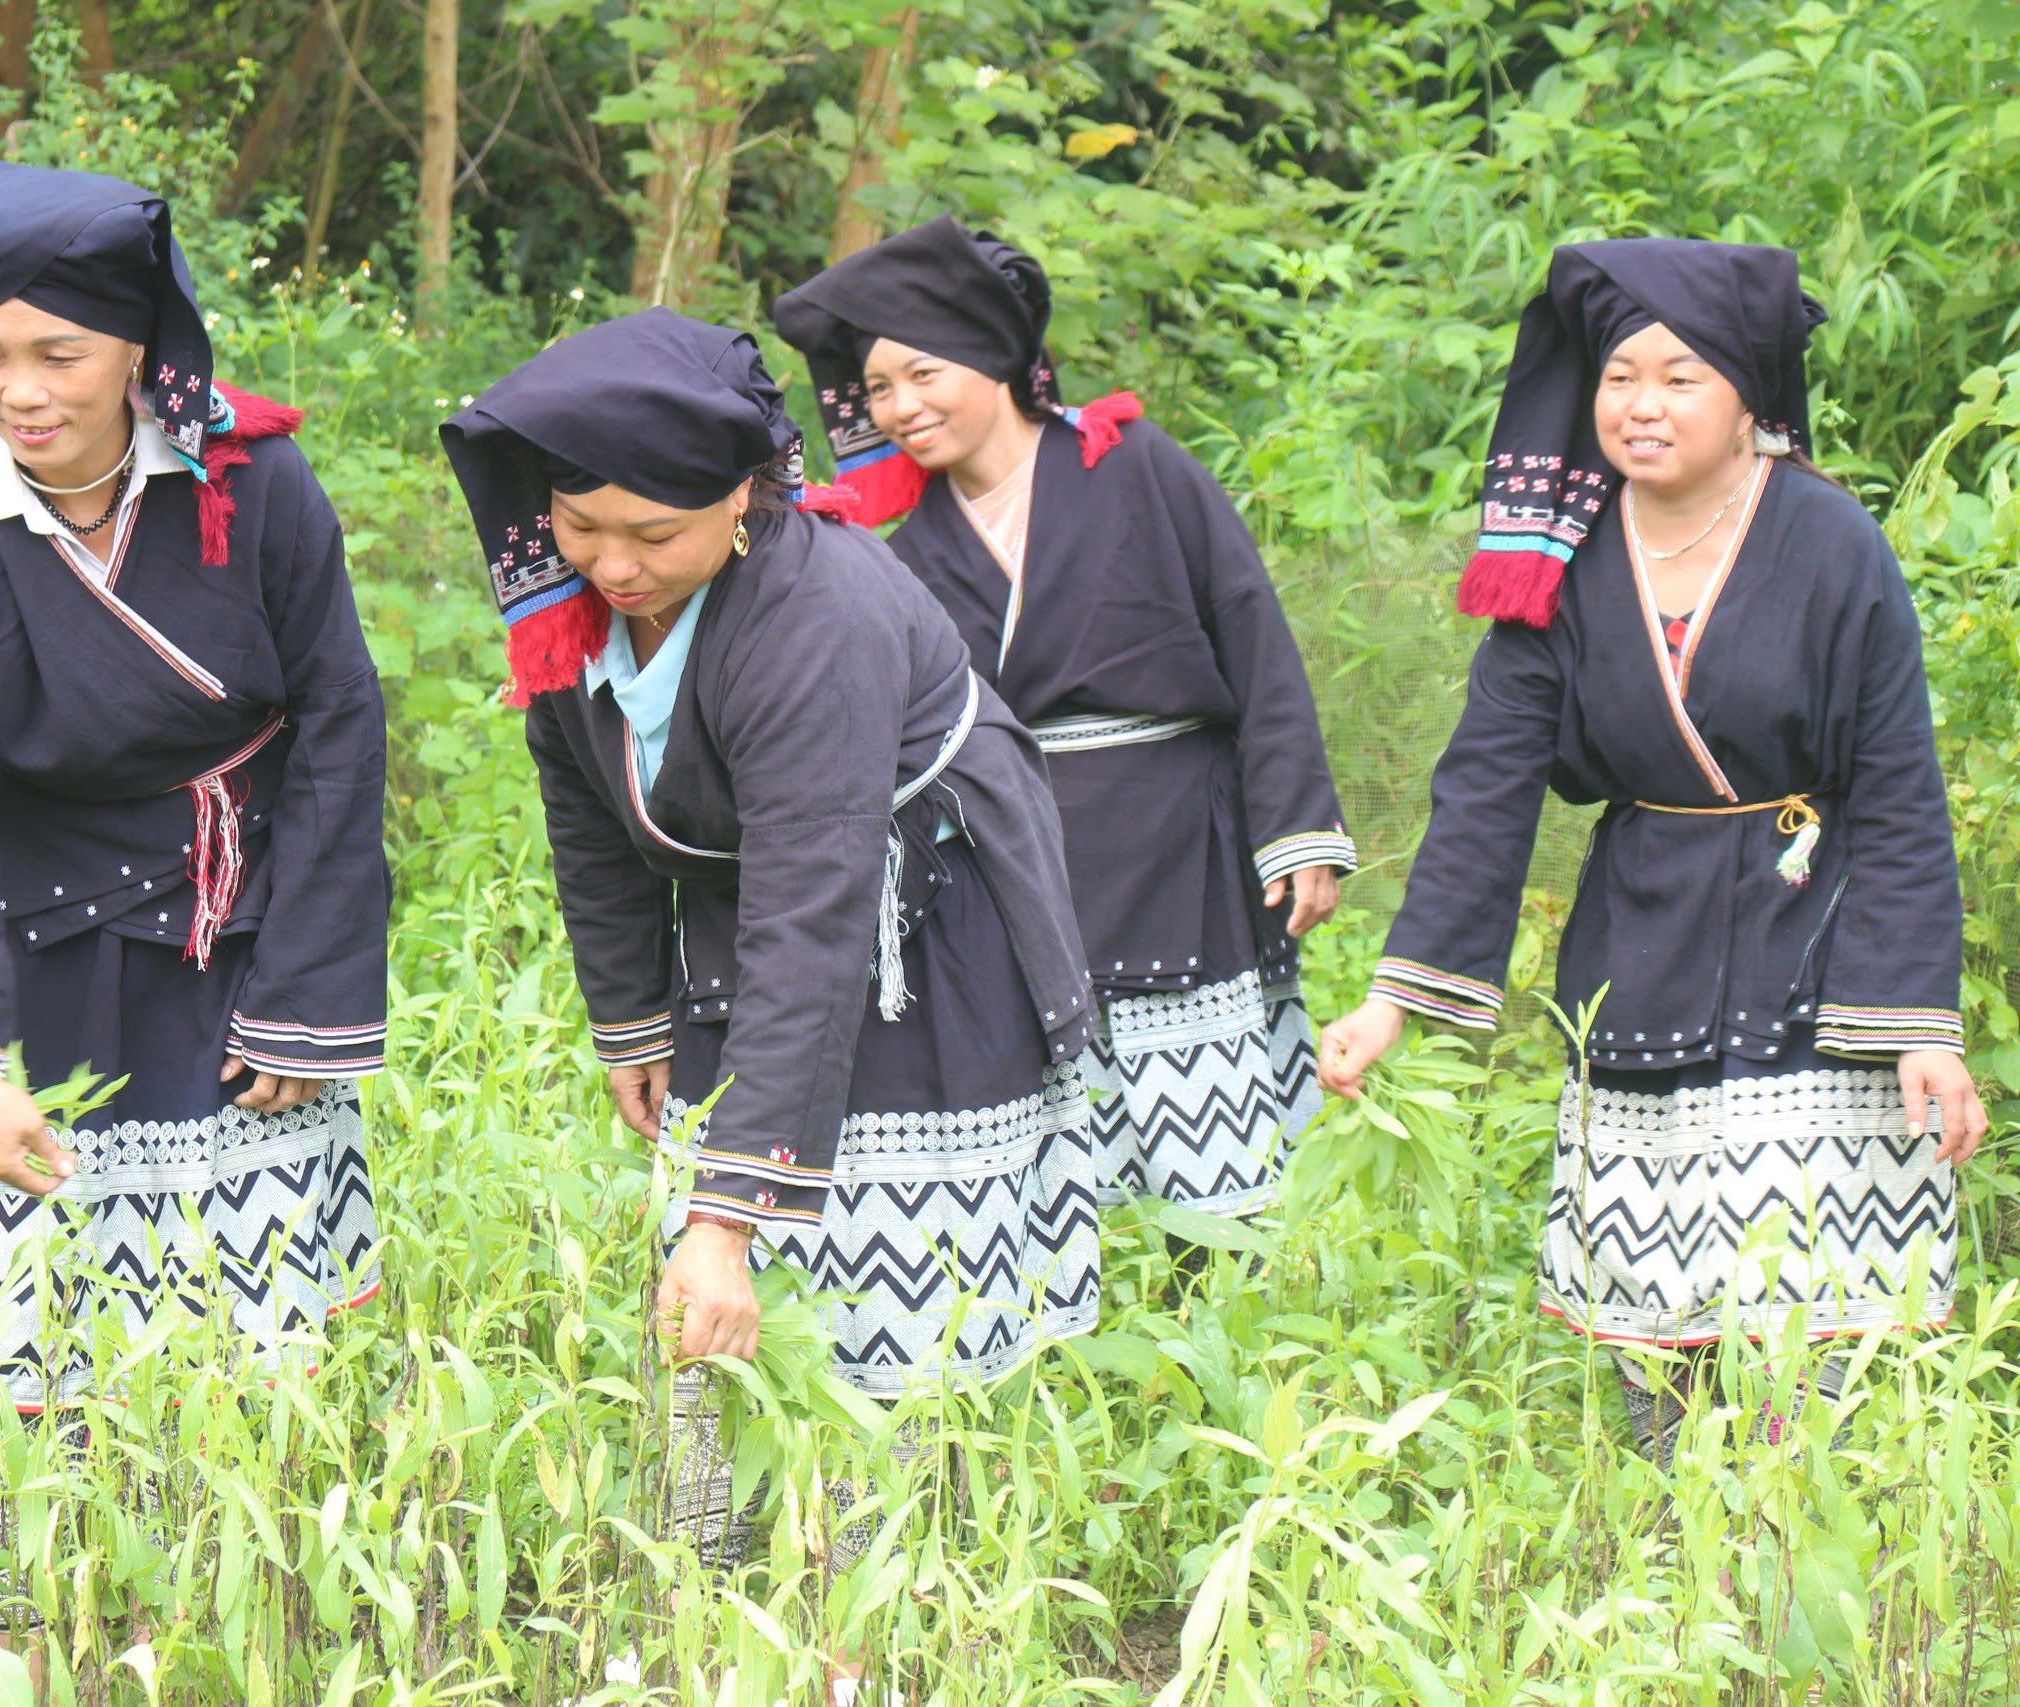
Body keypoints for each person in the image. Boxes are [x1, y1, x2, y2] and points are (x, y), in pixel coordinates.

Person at [440, 307, 1103, 1572]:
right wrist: (630, 1016)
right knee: (709, 1252)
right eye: (581, 527)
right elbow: (589, 819)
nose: (614, 567)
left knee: (885, 1248)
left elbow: (814, 906)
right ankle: (718, 1558)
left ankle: (891, 1580)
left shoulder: (820, 619)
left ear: (744, 499)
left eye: (654, 535)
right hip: (739, 915)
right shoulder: (568, 610)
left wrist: (731, 1216)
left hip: (927, 927)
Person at [1318, 238, 1988, 1466]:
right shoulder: (1558, 562)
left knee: (1814, 1301)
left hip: (1817, 936)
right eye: (1620, 376)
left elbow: (1895, 791)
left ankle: (1804, 1532)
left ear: (1749, 398)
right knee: (1660, 1297)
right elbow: (1489, 781)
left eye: (1680, 377)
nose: (1640, 405)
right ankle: (1672, 1542)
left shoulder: (1834, 547)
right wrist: (1390, 1001)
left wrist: (1918, 1027)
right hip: (1644, 941)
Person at [0, 161, 391, 1622]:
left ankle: (248, 1607)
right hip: (34, 945)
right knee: (28, 1315)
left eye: (57, 354)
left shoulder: (257, 489)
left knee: (249, 1332)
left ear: (139, 351)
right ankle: (33, 1612)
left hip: (241, 935)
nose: (18, 392)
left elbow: (341, 727)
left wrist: (308, 998)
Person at [773, 218, 1353, 1230]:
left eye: (922, 373)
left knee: (1211, 1168)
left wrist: (1296, 823)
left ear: (996, 352)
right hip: (1014, 864)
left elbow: (1251, 634)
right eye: (876, 391)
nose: (900, 408)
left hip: (1177, 846)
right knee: (1070, 1163)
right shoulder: (902, 550)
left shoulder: (1136, 467)